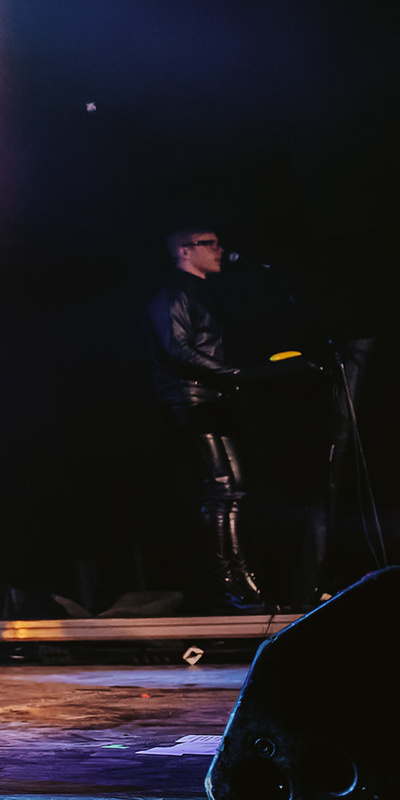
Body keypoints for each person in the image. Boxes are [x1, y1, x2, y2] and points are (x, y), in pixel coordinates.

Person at [148, 225, 265, 610]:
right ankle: (227, 582)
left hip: (212, 398)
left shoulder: (200, 292)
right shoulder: (174, 294)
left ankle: (241, 578)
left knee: (233, 488)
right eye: (209, 244)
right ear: (185, 250)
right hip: (190, 400)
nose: (219, 250)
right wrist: (231, 373)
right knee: (220, 487)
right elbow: (177, 349)